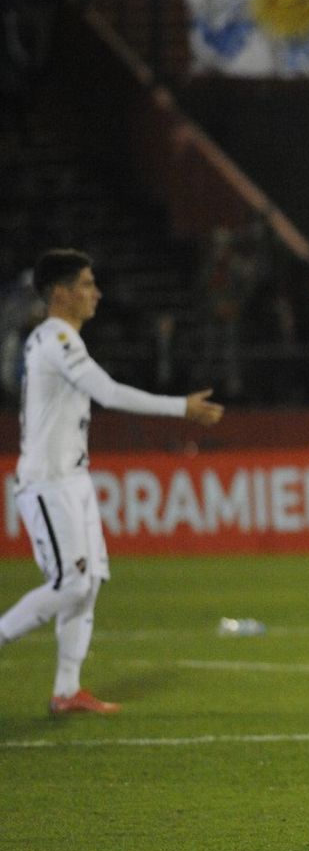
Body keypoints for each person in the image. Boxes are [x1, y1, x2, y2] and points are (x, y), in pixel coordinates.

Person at [0, 249, 224, 714]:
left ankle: (67, 691)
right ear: (60, 293)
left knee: (90, 582)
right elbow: (107, 392)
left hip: (73, 478)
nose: (95, 292)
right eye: (85, 283)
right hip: (48, 481)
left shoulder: (63, 339)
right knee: (69, 585)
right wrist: (179, 408)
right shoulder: (55, 337)